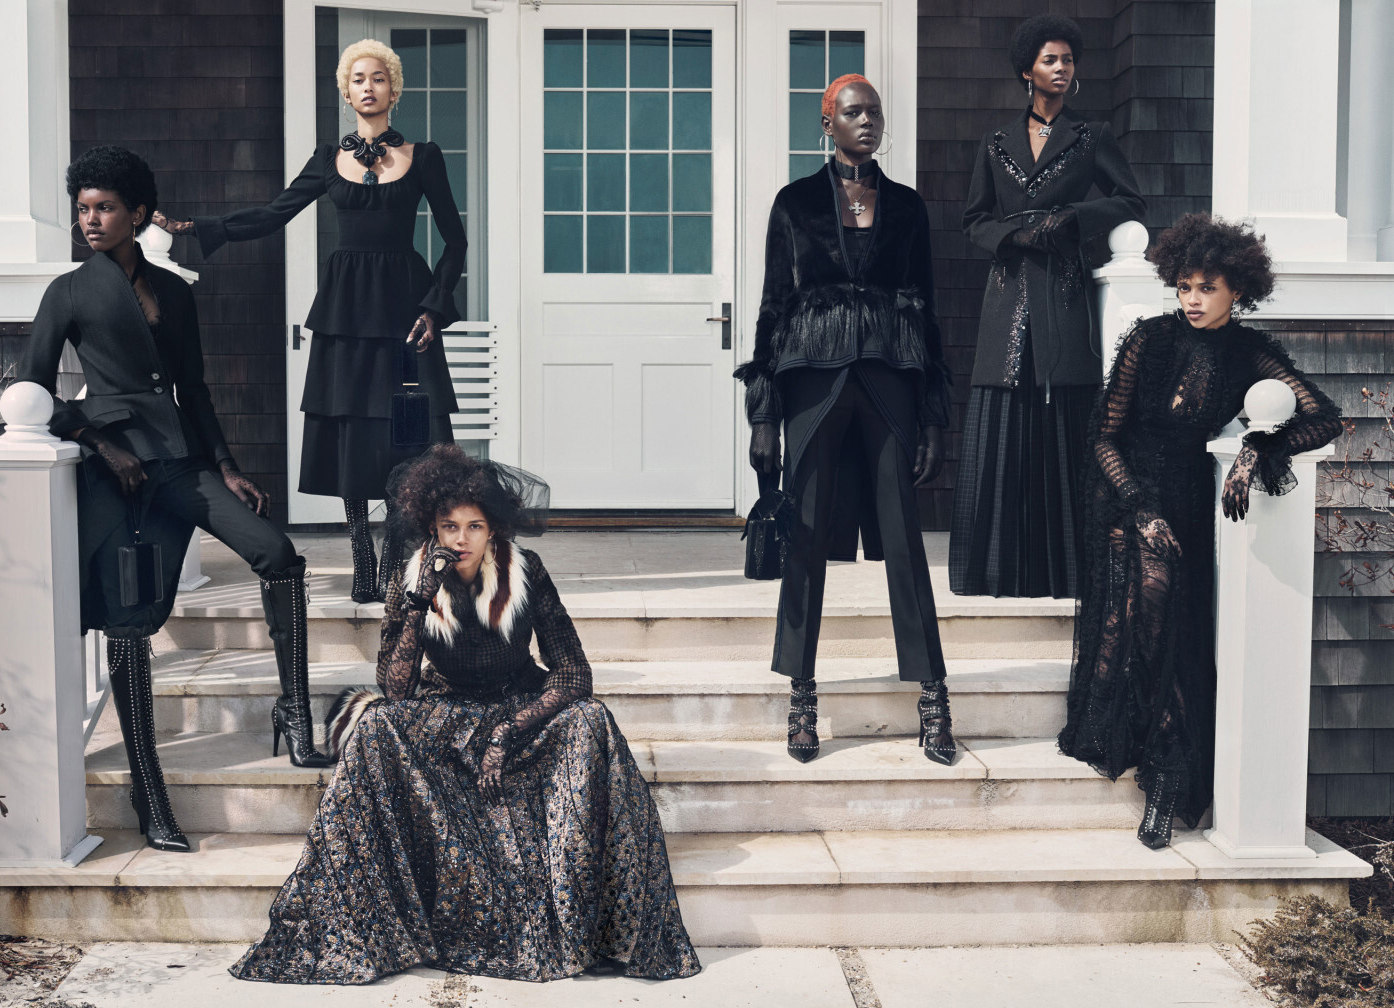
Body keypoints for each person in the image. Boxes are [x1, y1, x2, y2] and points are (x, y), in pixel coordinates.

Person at [229, 445, 700, 985]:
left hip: (518, 707)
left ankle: (595, 923)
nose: (461, 539)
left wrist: (509, 731)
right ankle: (379, 924)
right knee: (376, 726)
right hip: (445, 708)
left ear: (493, 527)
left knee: (591, 719)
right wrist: (417, 603)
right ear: (431, 527)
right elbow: (396, 689)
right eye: (449, 526)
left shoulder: (526, 570)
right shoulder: (410, 579)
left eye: (474, 526)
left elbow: (573, 673)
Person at [16, 146, 329, 853]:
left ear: (137, 214)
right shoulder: (68, 292)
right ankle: (148, 788)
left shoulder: (174, 291)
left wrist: (227, 465)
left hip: (183, 464)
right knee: (130, 625)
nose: (89, 221)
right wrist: (101, 444)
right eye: (82, 209)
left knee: (278, 554)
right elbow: (31, 391)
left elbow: (195, 389)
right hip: (120, 480)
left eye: (104, 208)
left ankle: (295, 715)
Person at [1058, 214, 1342, 849]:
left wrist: (1257, 449)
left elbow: (1324, 418)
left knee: (1173, 627)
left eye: (1207, 288)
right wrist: (1137, 505)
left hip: (1188, 496)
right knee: (1147, 606)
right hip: (1126, 493)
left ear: (1237, 289)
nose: (1192, 298)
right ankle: (1155, 761)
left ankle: (1168, 772)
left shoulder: (1250, 353)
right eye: (1184, 285)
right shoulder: (1149, 338)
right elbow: (1104, 435)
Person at [156, 38, 466, 605]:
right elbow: (272, 214)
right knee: (351, 428)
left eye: (378, 78)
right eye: (357, 79)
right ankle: (362, 560)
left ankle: (394, 560)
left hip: (404, 313)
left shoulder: (424, 156)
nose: (368, 87)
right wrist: (196, 228)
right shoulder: (328, 159)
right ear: (346, 93)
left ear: (394, 90)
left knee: (406, 431)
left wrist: (434, 307)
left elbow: (456, 241)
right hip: (346, 313)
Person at [734, 75, 956, 765]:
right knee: (803, 538)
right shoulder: (795, 202)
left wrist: (932, 417)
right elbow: (773, 305)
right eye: (853, 112)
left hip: (891, 378)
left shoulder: (908, 206)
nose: (867, 122)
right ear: (827, 123)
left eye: (874, 112)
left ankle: (933, 695)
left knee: (906, 540)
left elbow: (926, 309)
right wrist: (765, 414)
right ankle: (801, 695)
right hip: (813, 380)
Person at [950, 14, 1145, 599]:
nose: (1061, 69)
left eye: (1067, 60)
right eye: (1050, 60)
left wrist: (1072, 219)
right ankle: (996, 571)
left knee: (1063, 406)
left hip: (1062, 285)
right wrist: (1013, 236)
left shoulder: (1092, 136)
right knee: (1005, 409)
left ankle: (1064, 571)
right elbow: (973, 219)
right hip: (1009, 287)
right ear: (1027, 71)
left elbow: (1130, 201)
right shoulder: (995, 143)